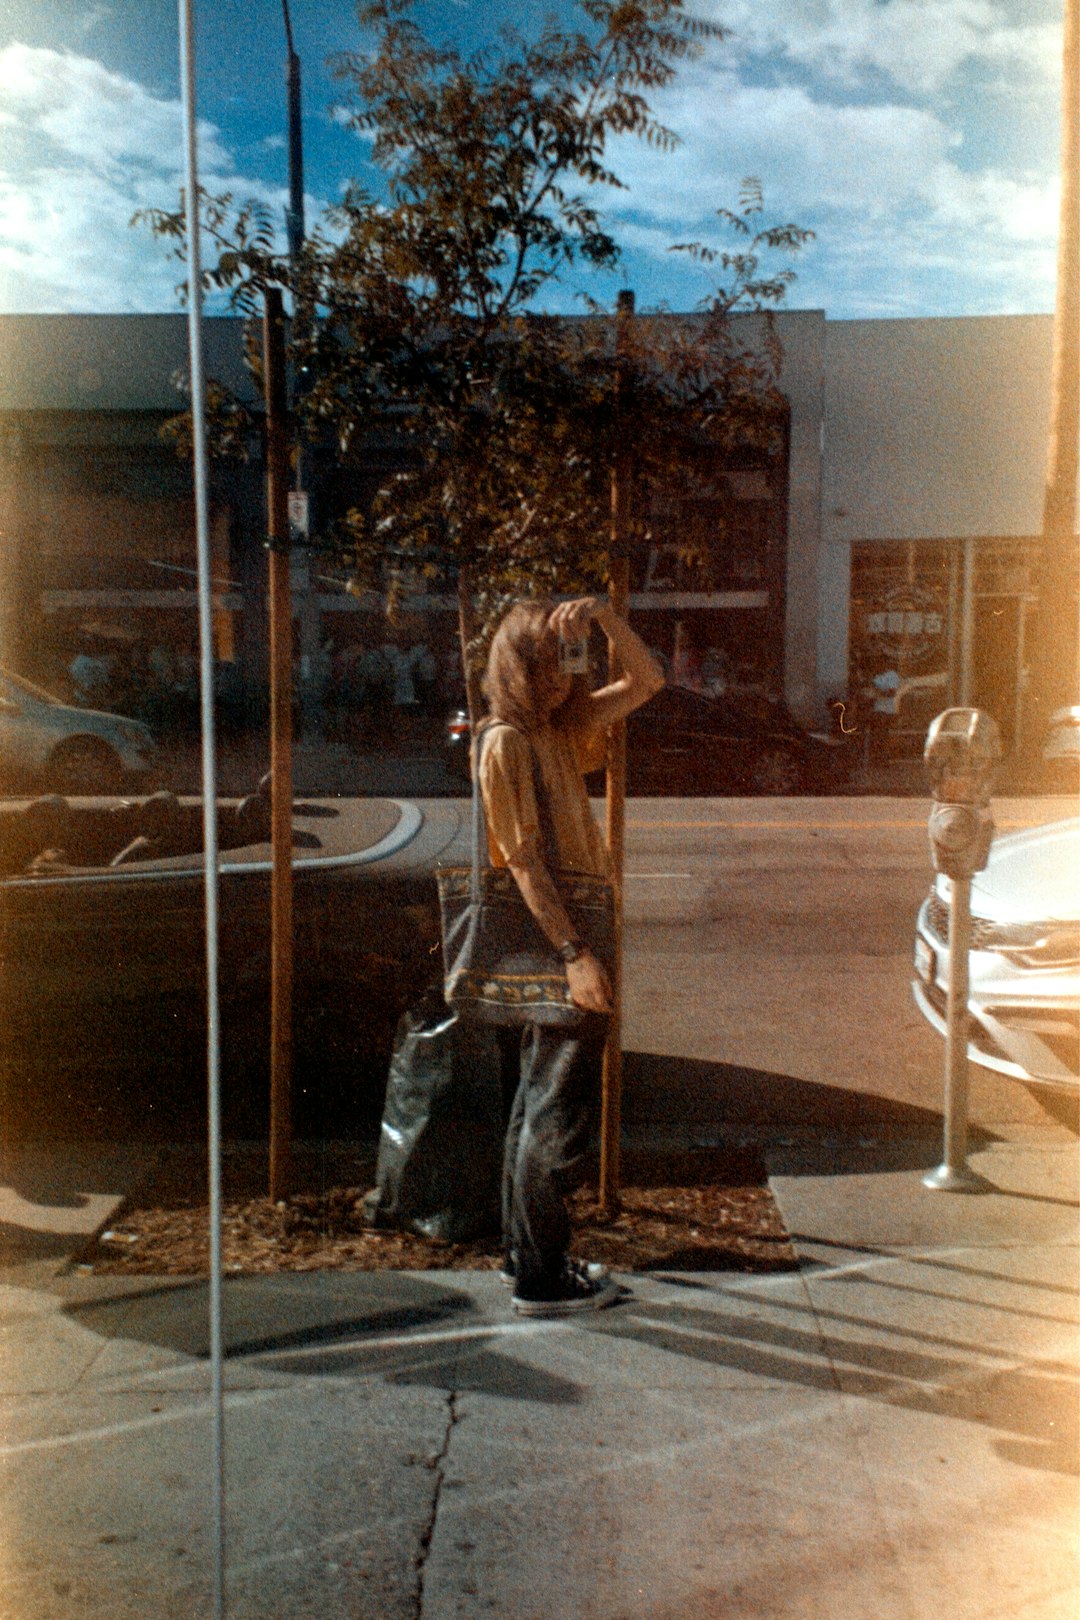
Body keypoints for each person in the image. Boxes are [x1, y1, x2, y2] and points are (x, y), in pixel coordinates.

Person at [477, 596, 664, 1317]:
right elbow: (522, 861)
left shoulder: (556, 728)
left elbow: (648, 682)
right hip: (561, 939)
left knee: (536, 1101)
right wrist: (576, 954)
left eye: (565, 665)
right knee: (555, 1114)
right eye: (546, 667)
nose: (560, 680)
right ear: (517, 669)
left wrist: (606, 621)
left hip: (572, 933)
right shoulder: (506, 742)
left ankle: (523, 1256)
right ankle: (543, 1279)